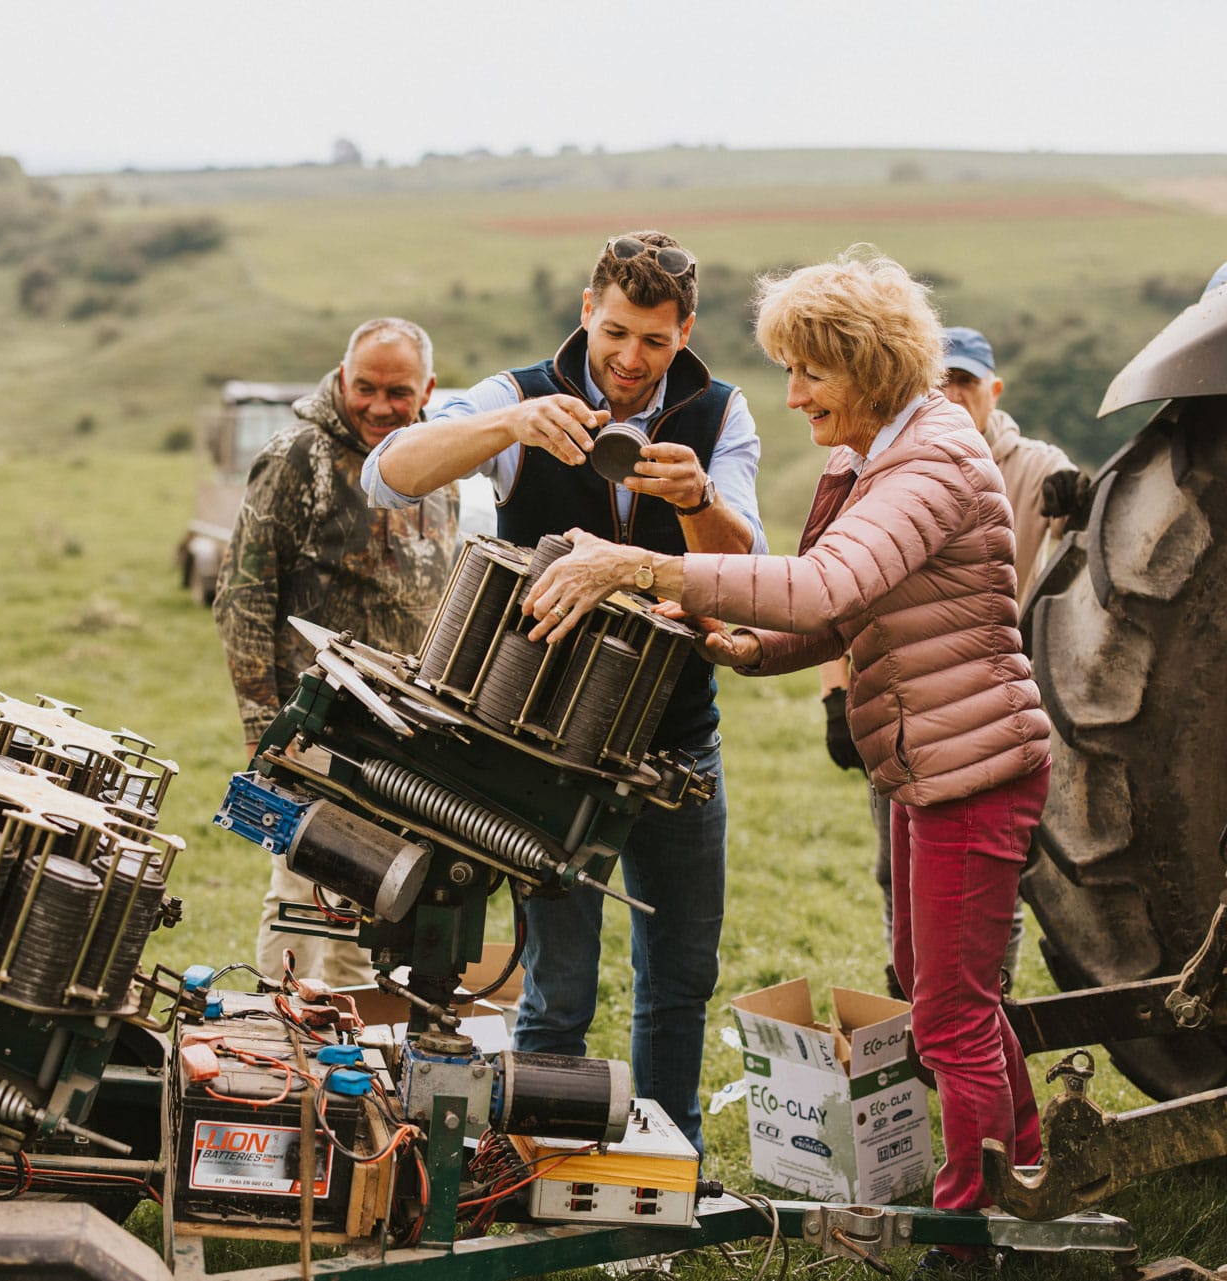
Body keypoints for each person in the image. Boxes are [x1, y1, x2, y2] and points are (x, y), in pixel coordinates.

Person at [521, 250, 1050, 1252]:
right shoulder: (871, 457)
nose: (794, 392)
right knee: (942, 992)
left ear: (865, 364)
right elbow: (838, 612)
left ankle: (966, 1228)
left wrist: (647, 564)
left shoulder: (930, 461)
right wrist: (753, 651)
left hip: (972, 772)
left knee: (948, 1018)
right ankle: (1022, 1166)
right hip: (925, 764)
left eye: (810, 371)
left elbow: (821, 584)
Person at [361, 231, 764, 1154]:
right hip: (548, 750)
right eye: (615, 332)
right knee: (560, 985)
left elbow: (740, 570)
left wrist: (698, 498)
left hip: (677, 740)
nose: (629, 360)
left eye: (654, 343)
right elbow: (386, 475)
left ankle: (668, 1171)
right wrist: (508, 427)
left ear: (685, 333)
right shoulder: (518, 392)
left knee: (681, 978)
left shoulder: (722, 415)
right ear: (587, 311)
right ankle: (541, 1166)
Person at [821, 324, 1091, 996]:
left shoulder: (1029, 465)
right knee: (898, 866)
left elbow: (1077, 507)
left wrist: (1078, 502)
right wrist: (835, 697)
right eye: (939, 381)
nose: (950, 393)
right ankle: (910, 989)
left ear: (992, 390)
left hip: (986, 710)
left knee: (992, 877)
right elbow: (829, 584)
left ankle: (980, 994)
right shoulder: (883, 464)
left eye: (964, 382)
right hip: (897, 700)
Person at [213, 317, 458, 987]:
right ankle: (283, 1047)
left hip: (399, 740)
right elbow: (242, 598)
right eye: (366, 387)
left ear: (428, 389)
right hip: (314, 727)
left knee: (376, 909)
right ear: (343, 379)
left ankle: (357, 1059)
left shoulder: (441, 467)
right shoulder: (299, 458)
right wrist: (266, 729)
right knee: (306, 900)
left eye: (399, 391)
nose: (380, 405)